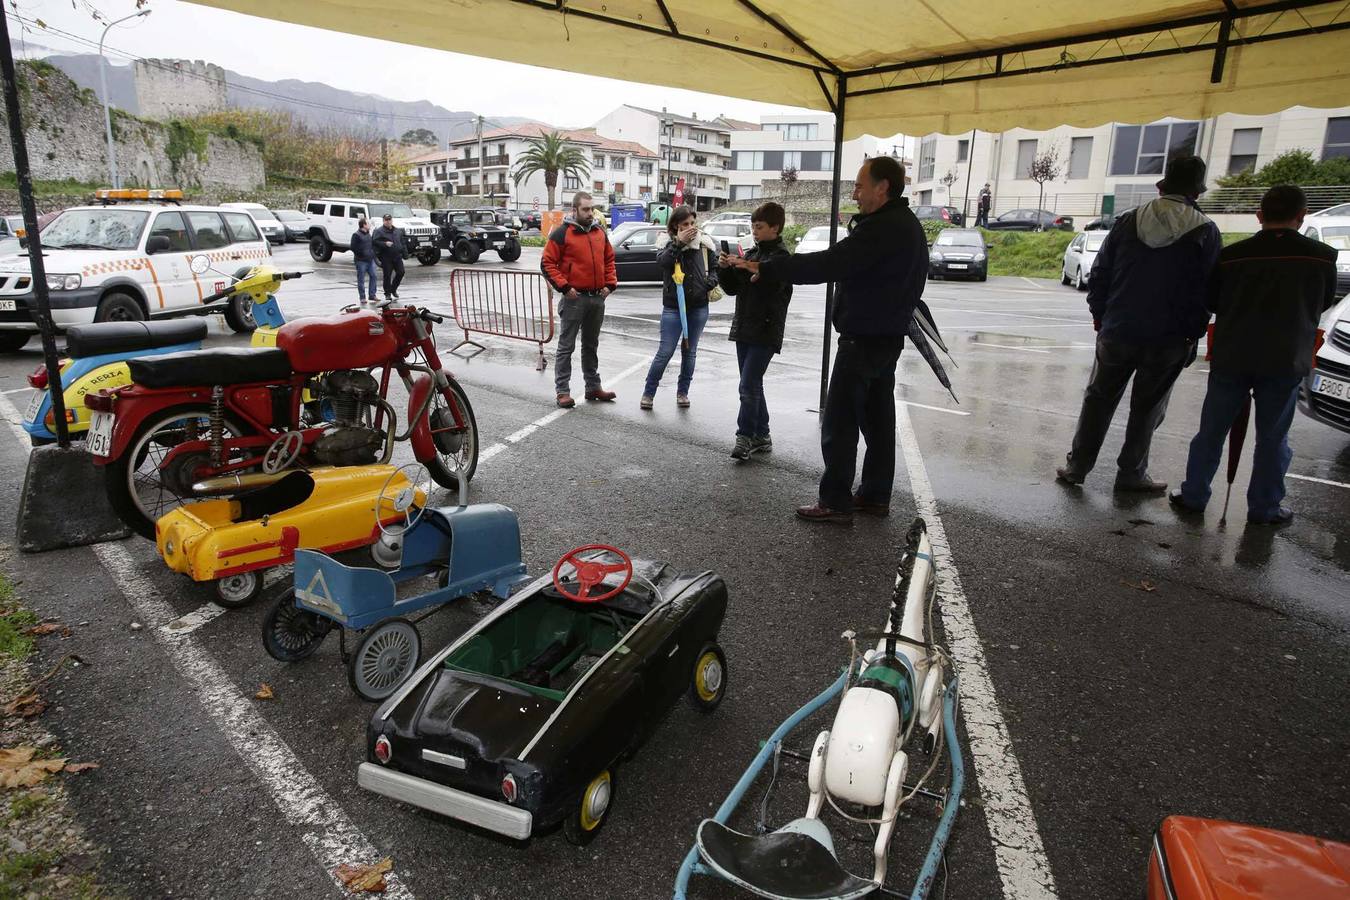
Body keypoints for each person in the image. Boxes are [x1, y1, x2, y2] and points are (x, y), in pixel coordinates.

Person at [726, 156, 927, 523]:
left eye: (860, 186)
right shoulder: (908, 226)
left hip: (863, 338)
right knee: (878, 421)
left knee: (841, 421)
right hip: (887, 337)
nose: (855, 192)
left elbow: (830, 263)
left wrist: (767, 268)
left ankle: (835, 501)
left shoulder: (881, 228)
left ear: (882, 188)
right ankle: (874, 494)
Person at [1171, 185, 1338, 525]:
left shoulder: (1233, 256)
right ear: (1301, 216)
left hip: (1233, 354)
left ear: (1260, 216)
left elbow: (1213, 300)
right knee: (1273, 437)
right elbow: (1322, 303)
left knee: (1212, 431)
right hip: (1286, 357)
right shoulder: (1322, 257)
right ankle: (1265, 508)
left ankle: (1194, 496)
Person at [1055, 155, 1221, 493]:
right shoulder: (1205, 231)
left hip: (1118, 329)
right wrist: (1193, 333)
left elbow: (1100, 273)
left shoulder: (1128, 221)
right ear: (1197, 192)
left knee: (1098, 400)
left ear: (1162, 186)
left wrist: (1102, 316)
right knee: (1147, 408)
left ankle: (1077, 467)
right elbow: (1210, 289)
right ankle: (1130, 473)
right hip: (1169, 338)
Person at [718, 201, 792, 459]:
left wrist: (753, 272)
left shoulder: (781, 258)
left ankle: (744, 437)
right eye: (753, 226)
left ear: (775, 227)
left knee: (748, 385)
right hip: (744, 328)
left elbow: (773, 286)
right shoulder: (750, 254)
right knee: (752, 384)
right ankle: (762, 434)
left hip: (766, 331)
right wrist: (725, 268)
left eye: (759, 227)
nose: (755, 231)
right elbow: (732, 289)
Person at [541, 191, 618, 408]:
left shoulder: (599, 232)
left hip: (597, 299)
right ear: (574, 210)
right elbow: (547, 263)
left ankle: (593, 387)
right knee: (566, 347)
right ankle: (562, 391)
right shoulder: (562, 233)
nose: (590, 213)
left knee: (590, 346)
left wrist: (609, 285)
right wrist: (565, 287)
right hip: (574, 298)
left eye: (591, 209)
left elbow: (609, 260)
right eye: (585, 209)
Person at [641, 206, 719, 409]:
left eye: (693, 223)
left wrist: (707, 284)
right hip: (673, 308)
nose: (691, 228)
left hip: (698, 307)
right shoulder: (666, 243)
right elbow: (663, 262)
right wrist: (679, 243)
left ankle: (683, 393)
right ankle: (648, 393)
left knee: (690, 352)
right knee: (665, 351)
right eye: (685, 224)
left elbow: (714, 269)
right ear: (676, 225)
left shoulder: (705, 243)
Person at [371, 213, 405, 301]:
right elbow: (374, 242)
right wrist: (385, 244)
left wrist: (405, 252)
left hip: (397, 256)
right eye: (386, 220)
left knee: (401, 272)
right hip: (386, 257)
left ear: (392, 220)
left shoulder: (397, 231)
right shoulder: (379, 231)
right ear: (383, 221)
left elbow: (402, 242)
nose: (388, 221)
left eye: (389, 220)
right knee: (387, 276)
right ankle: (387, 293)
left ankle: (393, 289)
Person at [350, 217, 377, 305]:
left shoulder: (368, 234)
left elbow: (371, 245)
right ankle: (362, 297)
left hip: (370, 260)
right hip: (361, 261)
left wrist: (372, 254)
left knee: (373, 276)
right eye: (368, 224)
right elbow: (353, 247)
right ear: (364, 225)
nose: (369, 225)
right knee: (361, 279)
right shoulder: (356, 235)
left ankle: (372, 295)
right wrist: (362, 254)